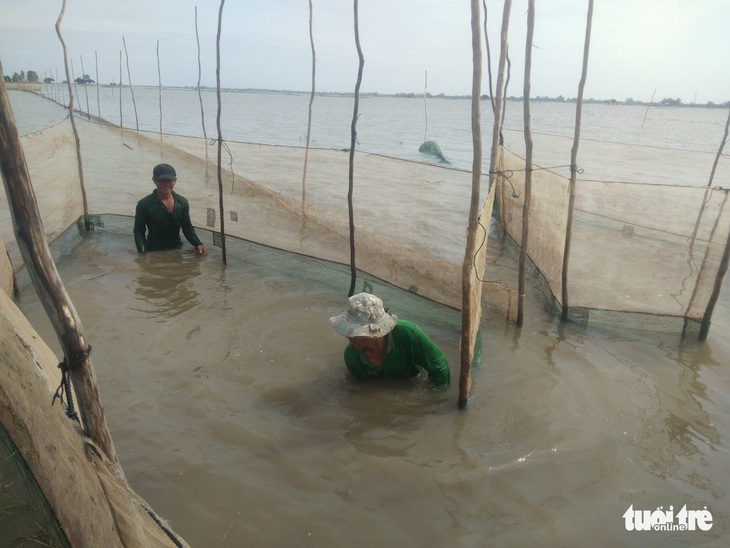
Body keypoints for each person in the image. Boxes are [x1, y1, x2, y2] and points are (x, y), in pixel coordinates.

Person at [330, 292, 450, 387]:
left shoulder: (409, 334)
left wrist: (435, 400)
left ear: (374, 331)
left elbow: (439, 367)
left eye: (354, 332)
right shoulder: (351, 356)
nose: (348, 336)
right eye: (348, 330)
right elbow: (364, 389)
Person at [134, 163, 207, 254]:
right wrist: (143, 254)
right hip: (154, 251)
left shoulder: (182, 202)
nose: (166, 184)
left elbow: (187, 227)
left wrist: (198, 244)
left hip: (177, 249)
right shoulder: (144, 204)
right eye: (162, 181)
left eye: (170, 180)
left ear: (175, 180)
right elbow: (139, 231)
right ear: (154, 180)